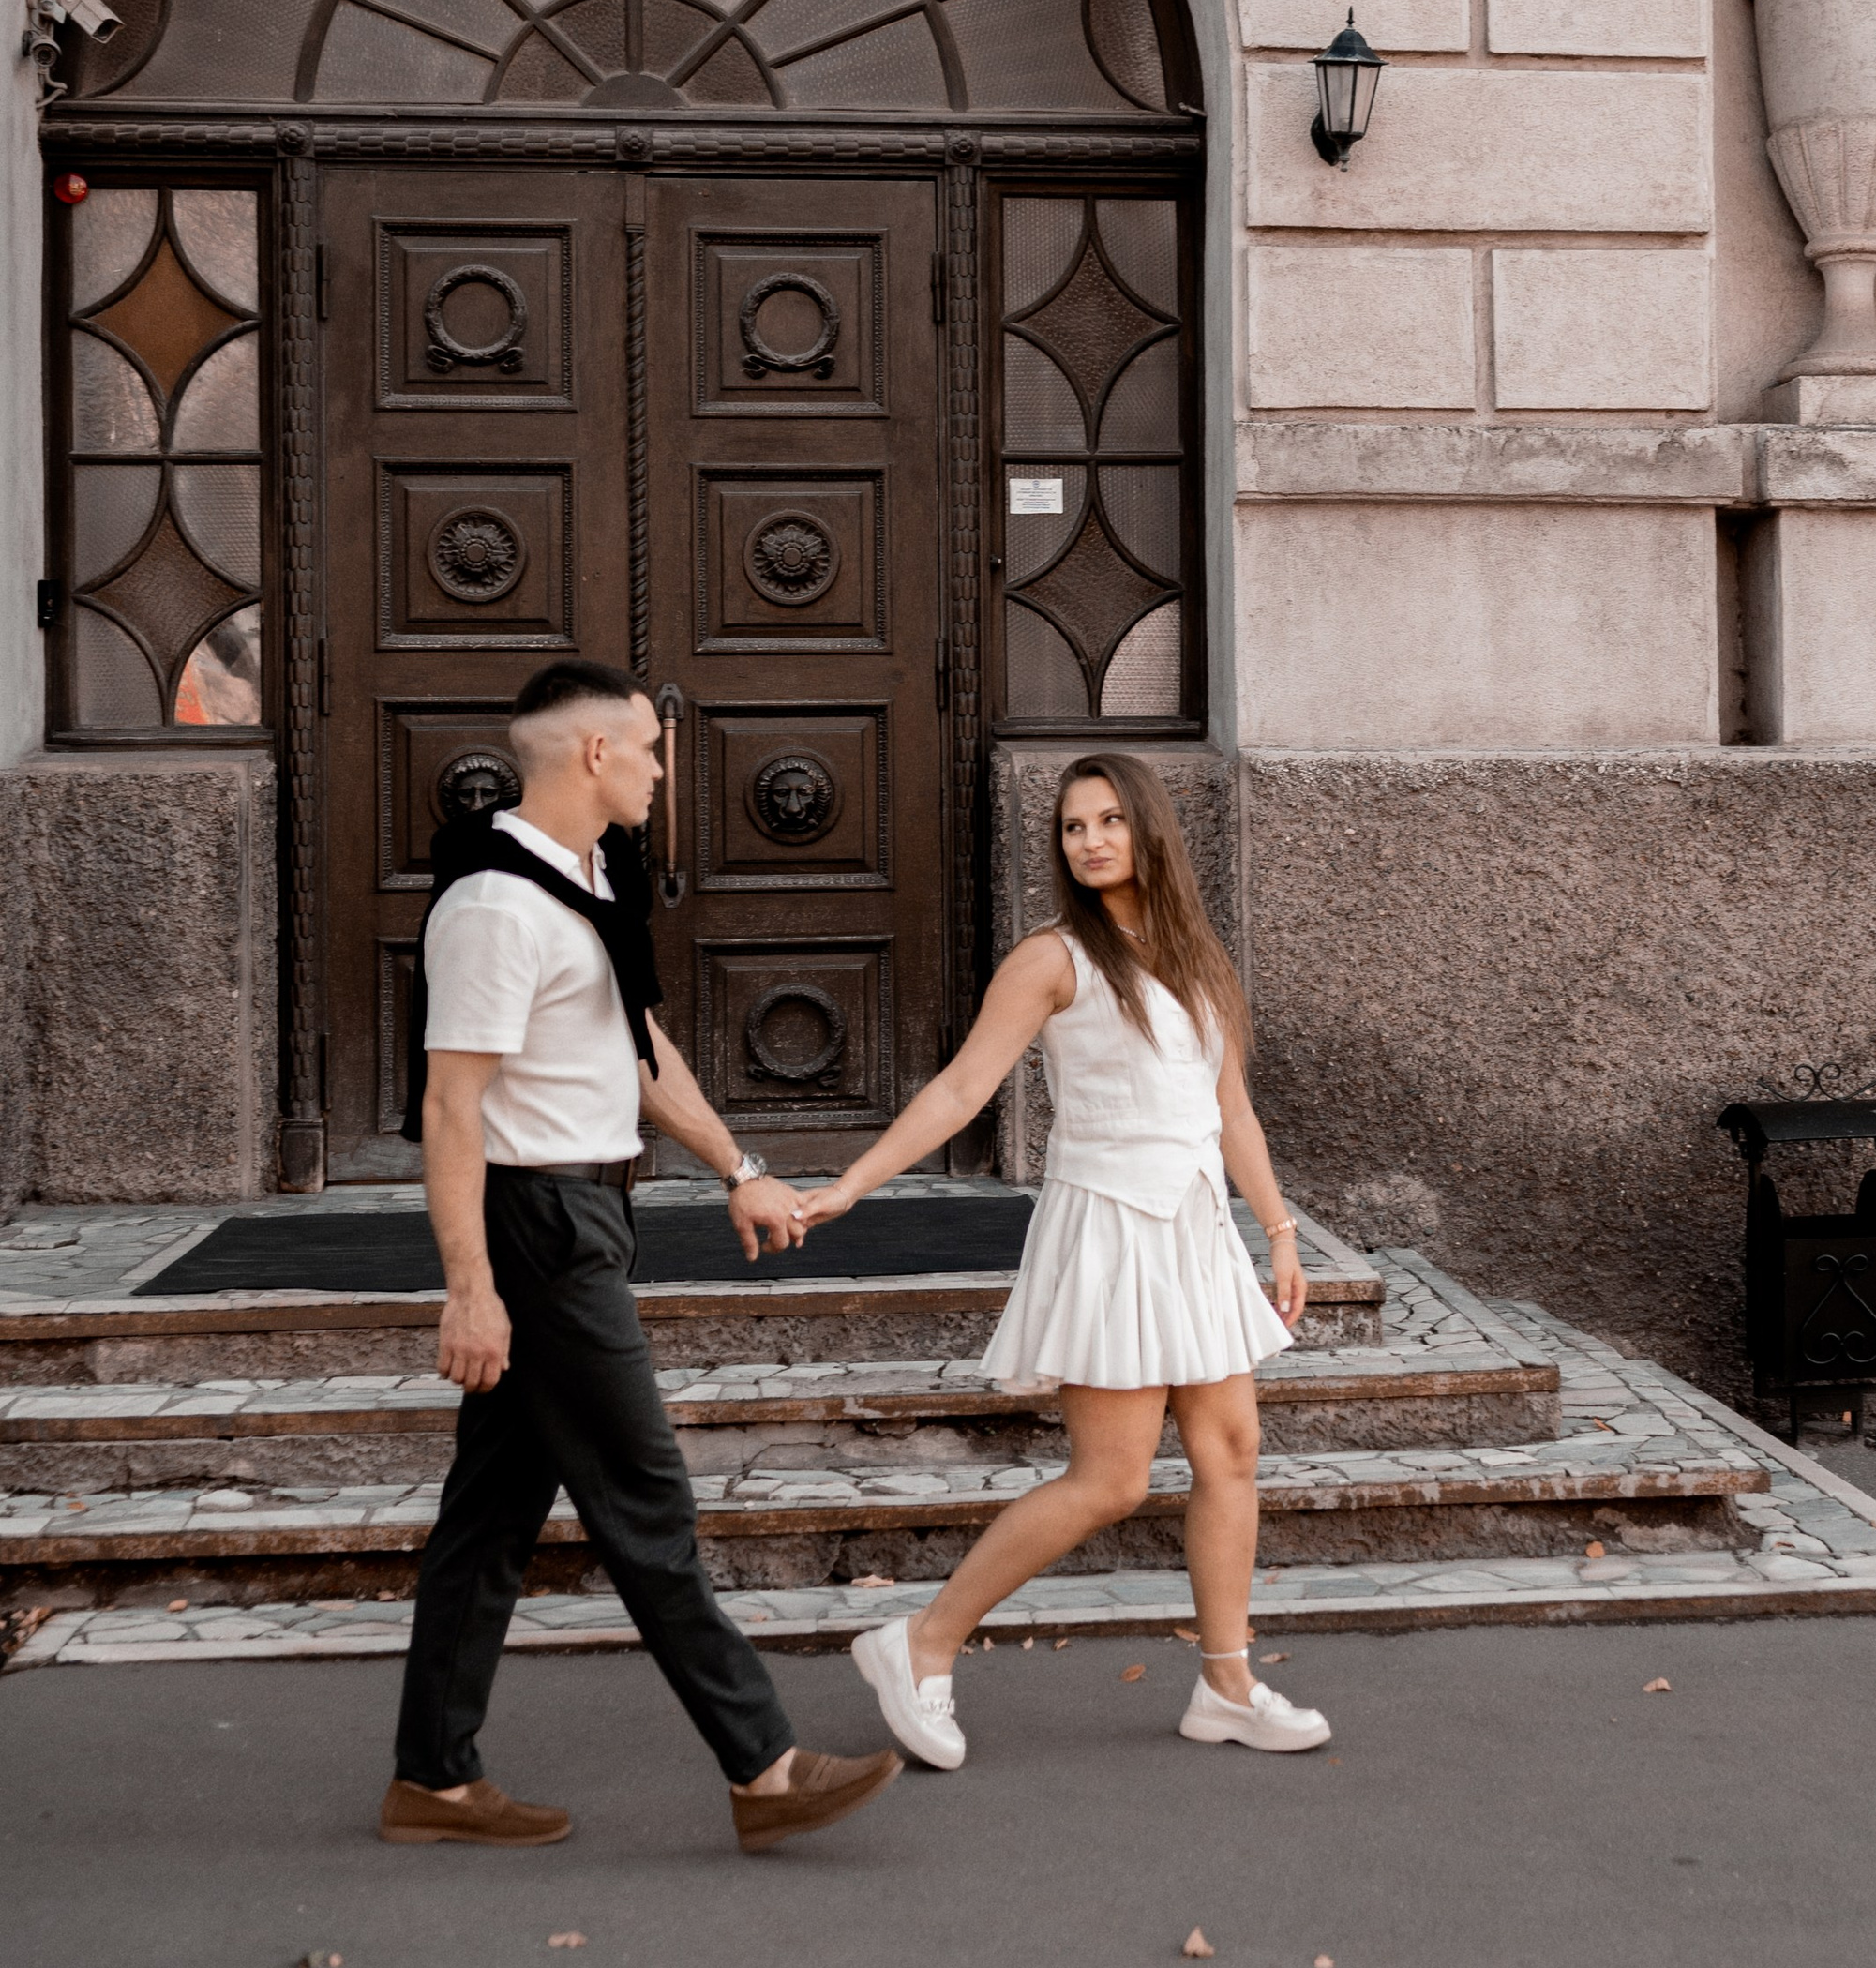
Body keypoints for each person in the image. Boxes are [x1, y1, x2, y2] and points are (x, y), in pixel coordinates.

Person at [380, 657, 902, 1857]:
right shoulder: (496, 906)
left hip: (587, 1211)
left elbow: (640, 1044)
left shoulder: (585, 880)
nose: (666, 771)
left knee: (491, 1513)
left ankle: (432, 1779)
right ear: (595, 755)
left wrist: (737, 1166)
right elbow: (450, 1108)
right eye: (652, 750)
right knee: (645, 1493)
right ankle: (762, 1763)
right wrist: (471, 1287)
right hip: (540, 1226)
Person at [792, 752, 1332, 1769]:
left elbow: (1229, 1110)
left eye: (1108, 820)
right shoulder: (1053, 957)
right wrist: (853, 1183)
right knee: (1110, 1478)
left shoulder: (1193, 951)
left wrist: (1281, 1230)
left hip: (1195, 1226)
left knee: (1231, 1455)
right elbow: (960, 1090)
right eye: (1073, 825)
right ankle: (919, 1640)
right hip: (1111, 1225)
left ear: (1149, 831)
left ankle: (1225, 1682)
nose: (1088, 839)